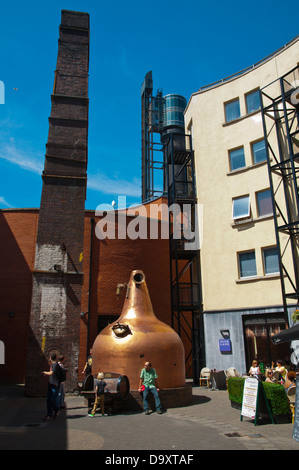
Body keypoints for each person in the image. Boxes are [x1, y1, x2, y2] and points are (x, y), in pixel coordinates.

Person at [42, 354, 61, 421]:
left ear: (50, 358)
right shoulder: (54, 365)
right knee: (49, 400)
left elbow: (51, 373)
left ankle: (56, 410)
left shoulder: (54, 365)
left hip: (54, 385)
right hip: (52, 384)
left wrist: (44, 372)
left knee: (52, 399)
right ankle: (49, 414)